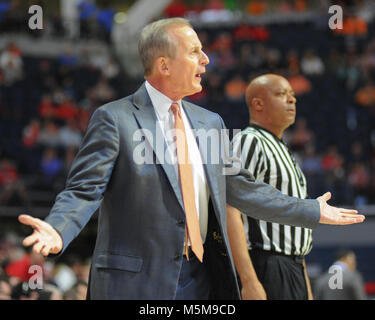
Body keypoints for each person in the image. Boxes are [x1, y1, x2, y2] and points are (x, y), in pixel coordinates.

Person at [18, 18, 364, 300]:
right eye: (195, 51)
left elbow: (244, 189)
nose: (206, 60)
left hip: (203, 278)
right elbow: (83, 191)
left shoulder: (210, 123)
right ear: (164, 64)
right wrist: (59, 228)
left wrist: (310, 210)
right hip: (136, 283)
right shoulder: (115, 118)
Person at [227, 74, 315, 300]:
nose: (291, 100)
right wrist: (248, 280)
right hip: (265, 264)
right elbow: (230, 208)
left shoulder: (285, 150)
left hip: (293, 266)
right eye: (281, 94)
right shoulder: (249, 140)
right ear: (257, 104)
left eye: (293, 96)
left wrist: (306, 287)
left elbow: (296, 228)